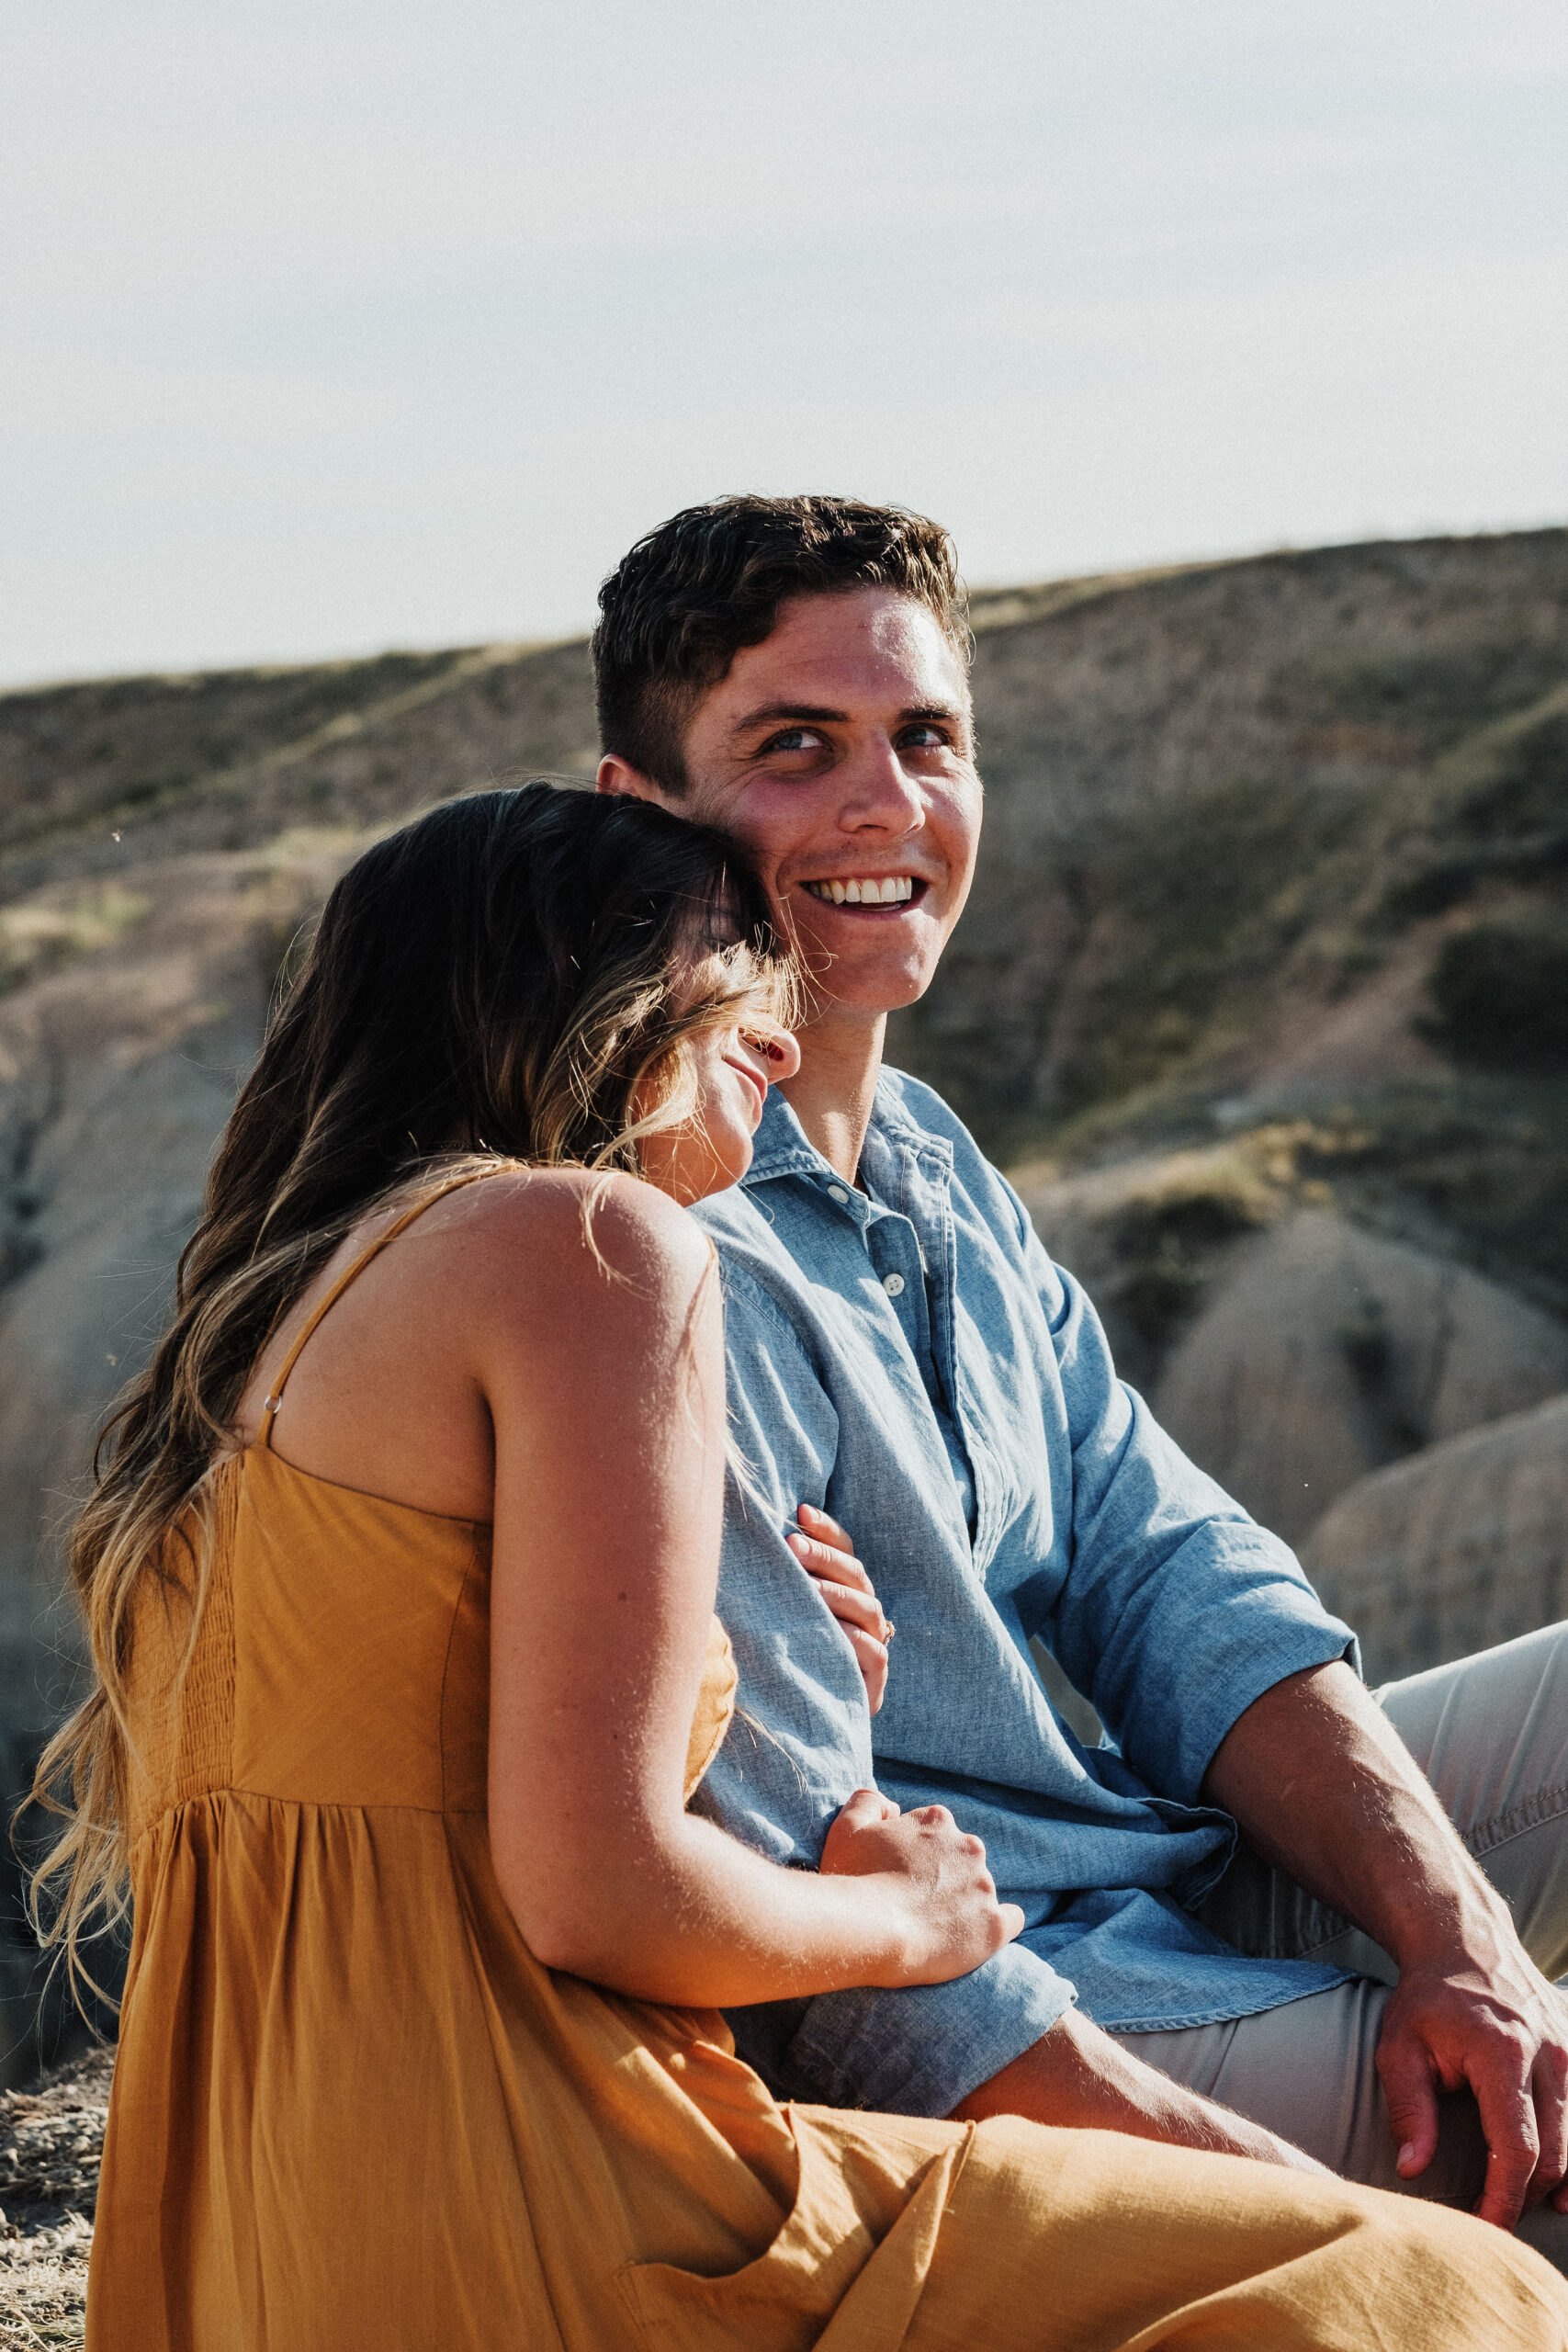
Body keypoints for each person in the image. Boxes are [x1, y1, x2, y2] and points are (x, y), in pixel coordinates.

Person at [29, 783, 1563, 2350]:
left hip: (257, 2243)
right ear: (579, 984)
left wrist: (786, 1678)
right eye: (726, 968)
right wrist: (914, 1922)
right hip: (554, 2203)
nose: (779, 1022)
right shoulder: (598, 1247)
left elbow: (442, 1811)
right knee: (1449, 2285)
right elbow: (599, 1892)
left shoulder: (260, 1348)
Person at [594, 492, 1568, 2264]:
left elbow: (1175, 1575)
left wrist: (1464, 1942)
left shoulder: (936, 1162)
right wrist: (1327, 2230)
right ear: (636, 813)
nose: (886, 806)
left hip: (1155, 1865)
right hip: (1030, 2009)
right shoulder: (650, 1254)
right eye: (796, 749)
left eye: (928, 741)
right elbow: (839, 1979)